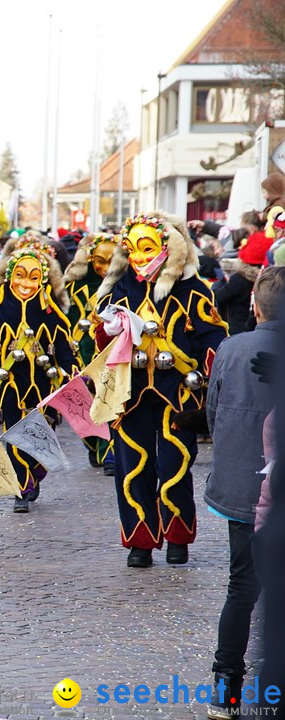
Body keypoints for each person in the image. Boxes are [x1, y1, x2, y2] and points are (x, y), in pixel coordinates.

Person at [95, 213, 228, 568]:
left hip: (178, 393)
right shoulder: (122, 288)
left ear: (168, 249)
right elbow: (95, 340)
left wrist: (214, 380)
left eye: (147, 248)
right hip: (131, 392)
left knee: (175, 464)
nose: (139, 257)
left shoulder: (193, 289)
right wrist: (105, 332)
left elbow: (213, 337)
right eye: (133, 250)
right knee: (133, 466)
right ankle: (140, 540)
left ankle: (177, 536)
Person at [203, 266, 284, 719]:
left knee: (242, 586)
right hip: (267, 488)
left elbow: (214, 414)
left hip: (242, 486)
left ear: (254, 306)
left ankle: (225, 683)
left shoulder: (232, 347)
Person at [0, 238, 76, 512]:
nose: (26, 283)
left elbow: (66, 351)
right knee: (14, 435)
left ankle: (33, 474)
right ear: (9, 277)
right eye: (20, 276)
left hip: (45, 387)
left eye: (33, 277)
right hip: (11, 386)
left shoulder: (52, 314)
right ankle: (21, 488)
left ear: (43, 280)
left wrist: (72, 375)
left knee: (42, 435)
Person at [63, 233, 119, 474]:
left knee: (110, 398)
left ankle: (110, 453)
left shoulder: (123, 287)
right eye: (100, 261)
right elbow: (64, 320)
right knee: (86, 400)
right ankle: (93, 442)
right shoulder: (74, 288)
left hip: (112, 352)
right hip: (82, 353)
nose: (105, 268)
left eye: (111, 261)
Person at [214, 236, 265, 335]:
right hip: (257, 329)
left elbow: (218, 298)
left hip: (238, 329)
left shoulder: (239, 279)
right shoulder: (265, 278)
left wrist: (221, 283)